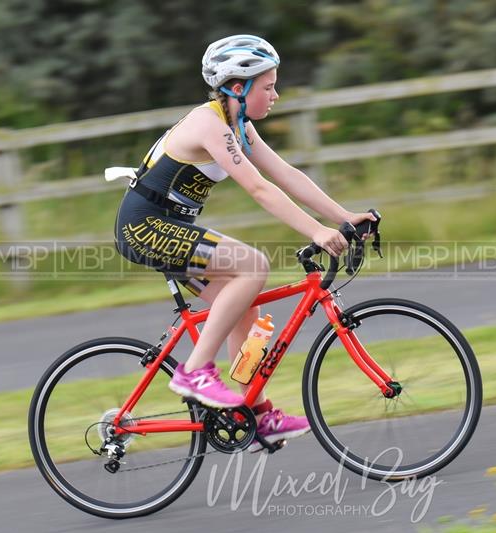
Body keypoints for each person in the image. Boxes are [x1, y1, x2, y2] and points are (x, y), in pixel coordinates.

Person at [113, 34, 376, 449]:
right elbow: (260, 190)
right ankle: (195, 371)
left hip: (168, 228)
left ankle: (252, 411)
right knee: (253, 266)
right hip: (144, 227)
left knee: (245, 305)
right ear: (238, 87)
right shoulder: (208, 123)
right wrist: (316, 231)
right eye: (268, 86)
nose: (276, 94)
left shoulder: (237, 125)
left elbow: (285, 175)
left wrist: (344, 217)